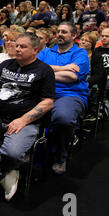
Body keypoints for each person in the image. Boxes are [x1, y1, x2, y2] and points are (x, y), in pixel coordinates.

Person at [0, 33, 55, 200]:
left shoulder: (44, 71)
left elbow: (48, 102)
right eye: (16, 45)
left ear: (35, 50)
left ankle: (3, 169)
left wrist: (23, 120)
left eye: (22, 46)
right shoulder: (5, 65)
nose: (17, 49)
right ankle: (4, 169)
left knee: (12, 152)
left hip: (24, 122)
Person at [37, 21, 89, 175]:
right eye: (58, 31)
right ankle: (27, 151)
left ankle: (61, 156)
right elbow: (35, 68)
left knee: (63, 118)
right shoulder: (46, 52)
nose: (59, 34)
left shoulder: (80, 53)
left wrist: (46, 72)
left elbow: (71, 77)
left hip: (69, 94)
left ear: (74, 35)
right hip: (43, 93)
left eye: (64, 32)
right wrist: (62, 68)